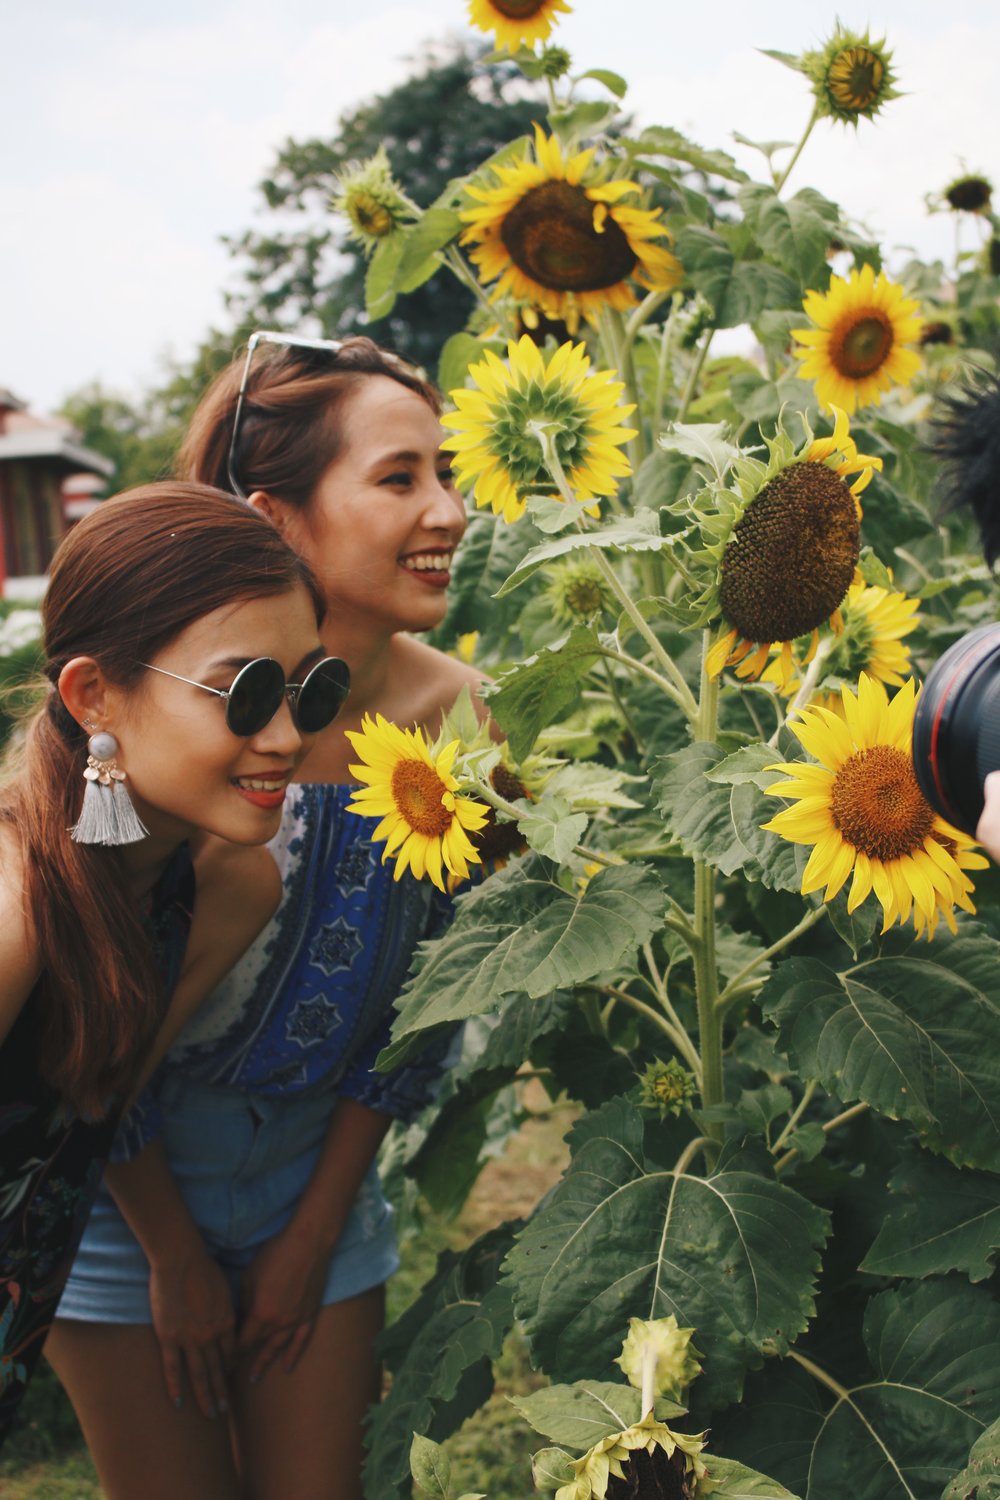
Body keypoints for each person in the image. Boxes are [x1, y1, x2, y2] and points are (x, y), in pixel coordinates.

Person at [47, 336, 489, 1500]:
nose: (448, 508)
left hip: (319, 1178)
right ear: (276, 518)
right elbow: (92, 1034)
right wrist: (170, 1250)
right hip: (125, 1192)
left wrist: (312, 1230)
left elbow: (438, 997)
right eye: (399, 479)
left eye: (447, 472)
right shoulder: (189, 744)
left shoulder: (468, 722)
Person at [0, 480, 345, 1447]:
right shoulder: (18, 907)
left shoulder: (227, 892)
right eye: (243, 693)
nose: (285, 735)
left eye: (310, 687)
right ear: (94, 694)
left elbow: (87, 1127)